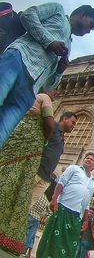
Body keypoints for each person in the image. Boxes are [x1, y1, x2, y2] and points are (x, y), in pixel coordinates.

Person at [0, 2, 94, 148]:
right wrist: (50, 42)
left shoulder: (69, 46)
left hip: (30, 89)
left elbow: (48, 86)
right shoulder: (58, 10)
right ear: (82, 14)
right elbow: (28, 15)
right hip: (20, 59)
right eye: (90, 25)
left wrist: (59, 70)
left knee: (2, 133)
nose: (89, 31)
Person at [0, 92, 55, 254]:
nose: (56, 93)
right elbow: (50, 124)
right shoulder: (44, 97)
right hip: (29, 147)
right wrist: (44, 140)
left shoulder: (27, 96)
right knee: (16, 189)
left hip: (14, 138)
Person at [36, 152, 94, 258]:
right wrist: (54, 199)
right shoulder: (74, 169)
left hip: (77, 215)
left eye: (91, 159)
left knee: (69, 243)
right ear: (83, 160)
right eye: (87, 158)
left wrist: (86, 220)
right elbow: (61, 183)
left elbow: (87, 202)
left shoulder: (92, 181)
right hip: (63, 208)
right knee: (53, 239)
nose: (88, 160)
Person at [31, 111, 77, 209]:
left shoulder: (62, 138)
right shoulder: (54, 127)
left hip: (45, 179)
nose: (74, 126)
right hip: (35, 171)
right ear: (65, 119)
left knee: (24, 208)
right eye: (72, 122)